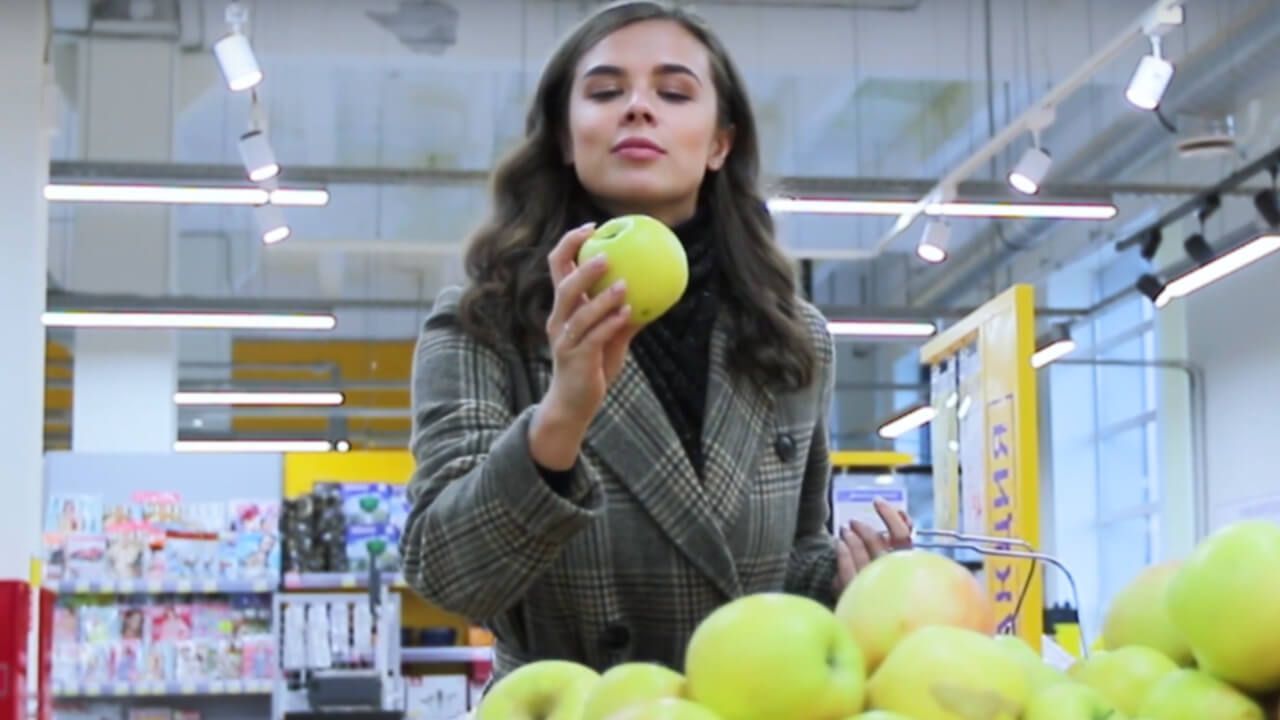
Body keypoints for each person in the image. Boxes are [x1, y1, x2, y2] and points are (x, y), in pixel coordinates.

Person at [399, 0, 912, 684]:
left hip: (746, 701)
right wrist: (562, 416)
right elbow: (448, 574)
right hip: (572, 703)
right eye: (605, 91)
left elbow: (788, 558)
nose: (638, 107)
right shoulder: (487, 322)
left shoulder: (791, 336)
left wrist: (855, 581)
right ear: (565, 137)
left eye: (673, 92)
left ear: (720, 144)